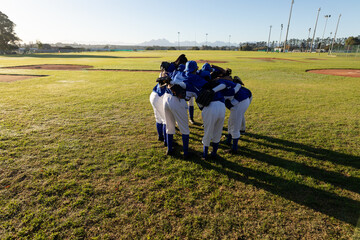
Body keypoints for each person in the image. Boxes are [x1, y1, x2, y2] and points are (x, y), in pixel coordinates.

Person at [224, 76, 252, 153]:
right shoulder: (228, 84)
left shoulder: (224, 86)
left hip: (241, 102)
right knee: (231, 122)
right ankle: (229, 140)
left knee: (235, 125)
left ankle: (234, 148)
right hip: (242, 101)